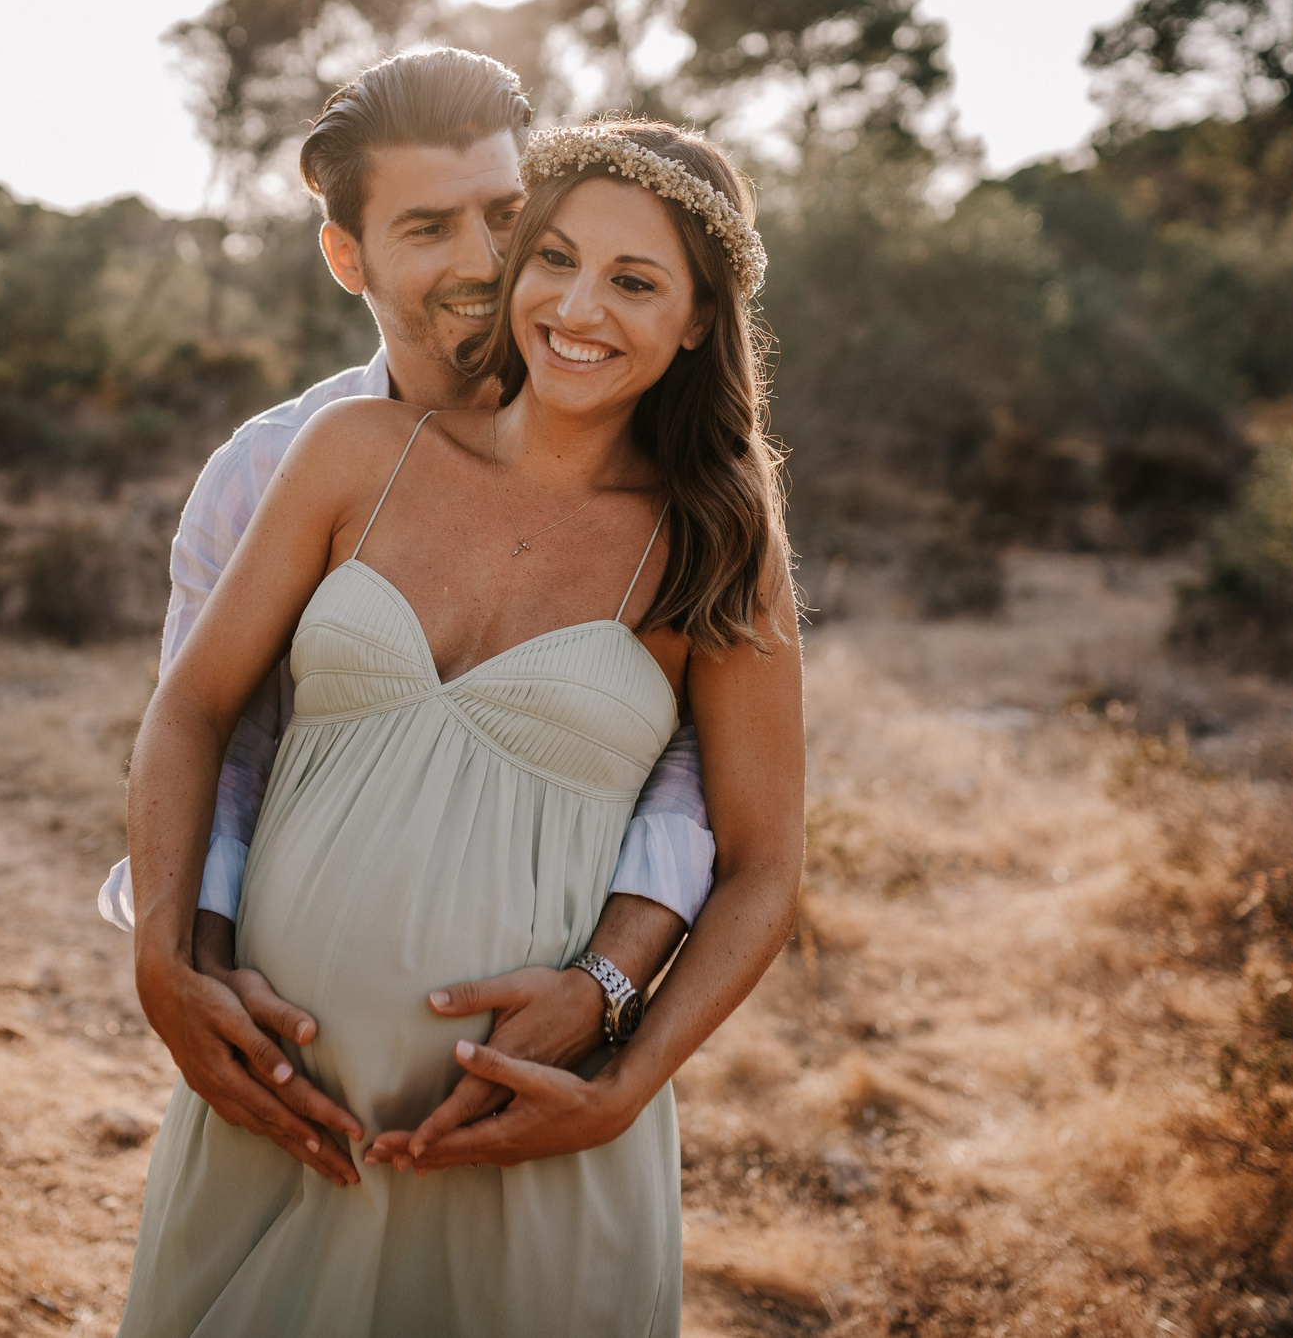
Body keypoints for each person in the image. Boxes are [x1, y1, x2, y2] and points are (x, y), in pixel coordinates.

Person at [119, 118, 806, 1336]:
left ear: (701, 320)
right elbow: (194, 709)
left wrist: (624, 1080)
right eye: (556, 259)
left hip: (523, 1127)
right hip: (278, 1098)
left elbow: (762, 864)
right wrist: (165, 965)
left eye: (634, 282)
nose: (577, 308)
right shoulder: (351, 455)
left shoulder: (715, 544)